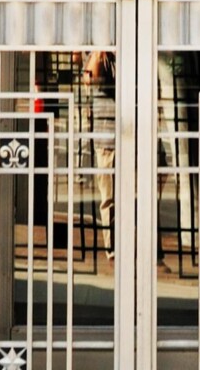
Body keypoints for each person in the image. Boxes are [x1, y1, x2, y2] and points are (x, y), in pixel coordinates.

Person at [81, 49, 117, 256]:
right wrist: (101, 50)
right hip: (107, 139)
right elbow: (91, 79)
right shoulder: (96, 57)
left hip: (130, 137)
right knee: (109, 197)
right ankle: (112, 247)